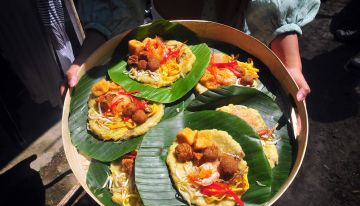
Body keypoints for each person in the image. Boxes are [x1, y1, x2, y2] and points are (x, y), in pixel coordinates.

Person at [64, 0, 320, 102]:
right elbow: (116, 4)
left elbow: (275, 4)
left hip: (235, 54)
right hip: (164, 51)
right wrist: (86, 58)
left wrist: (291, 65)